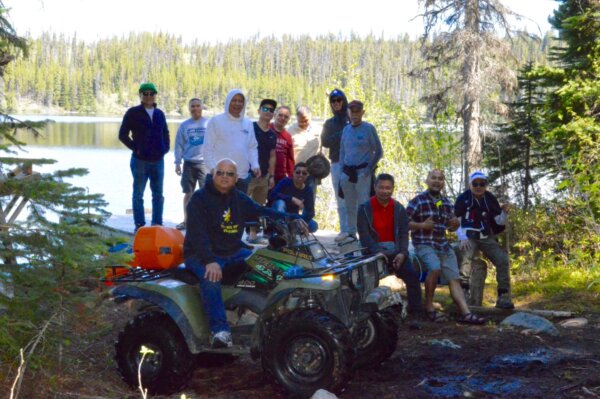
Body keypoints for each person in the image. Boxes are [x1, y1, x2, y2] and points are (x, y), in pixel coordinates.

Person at [184, 158, 303, 348]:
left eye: (229, 174)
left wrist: (293, 218)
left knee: (266, 264)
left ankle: (271, 318)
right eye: (220, 173)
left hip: (233, 251)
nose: (224, 177)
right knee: (211, 278)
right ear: (213, 174)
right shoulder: (199, 199)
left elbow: (261, 211)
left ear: (236, 177)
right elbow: (197, 235)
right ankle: (220, 331)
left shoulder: (238, 198)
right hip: (200, 255)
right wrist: (209, 261)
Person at [406, 169, 485, 324]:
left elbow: (452, 224)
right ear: (427, 181)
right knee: (434, 267)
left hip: (442, 245)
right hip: (423, 243)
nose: (437, 181)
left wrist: (455, 224)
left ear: (443, 182)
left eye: (440, 179)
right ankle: (429, 307)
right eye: (433, 178)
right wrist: (422, 225)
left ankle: (465, 313)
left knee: (454, 278)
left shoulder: (446, 203)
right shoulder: (417, 201)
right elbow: (403, 223)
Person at [357, 173, 423, 316]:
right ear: (375, 187)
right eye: (381, 187)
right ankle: (366, 315)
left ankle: (416, 314)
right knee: (365, 280)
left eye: (388, 188)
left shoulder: (398, 208)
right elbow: (364, 235)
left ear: (393, 189)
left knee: (412, 275)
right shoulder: (364, 208)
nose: (385, 191)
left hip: (395, 250)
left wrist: (402, 253)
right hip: (373, 252)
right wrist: (376, 251)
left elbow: (404, 234)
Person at [455, 171, 514, 309]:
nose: (478, 186)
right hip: (468, 235)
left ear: (486, 185)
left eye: (482, 184)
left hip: (486, 236)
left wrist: (504, 212)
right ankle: (464, 294)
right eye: (475, 184)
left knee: (502, 259)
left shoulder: (490, 198)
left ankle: (503, 296)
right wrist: (462, 237)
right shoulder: (463, 198)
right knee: (466, 257)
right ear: (470, 184)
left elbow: (499, 222)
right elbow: (456, 220)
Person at [118, 82, 169, 230]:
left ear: (155, 96)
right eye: (145, 93)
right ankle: (139, 224)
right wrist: (136, 149)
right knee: (138, 193)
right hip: (140, 161)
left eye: (151, 93)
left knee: (158, 194)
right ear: (140, 95)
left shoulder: (160, 114)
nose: (148, 96)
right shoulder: (133, 112)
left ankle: (157, 224)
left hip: (158, 160)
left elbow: (165, 133)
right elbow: (122, 135)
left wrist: (165, 148)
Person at [339, 100, 383, 242]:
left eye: (357, 111)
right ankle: (351, 233)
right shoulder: (346, 130)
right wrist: (341, 173)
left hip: (363, 173)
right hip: (347, 173)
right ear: (348, 112)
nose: (355, 114)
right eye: (352, 111)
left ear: (362, 112)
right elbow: (342, 152)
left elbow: (379, 151)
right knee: (349, 205)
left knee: (364, 205)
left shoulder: (369, 128)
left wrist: (369, 169)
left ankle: (366, 233)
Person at [203, 89, 260, 193]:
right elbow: (207, 149)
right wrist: (213, 170)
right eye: (234, 100)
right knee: (215, 209)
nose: (237, 104)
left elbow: (252, 147)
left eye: (240, 101)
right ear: (228, 101)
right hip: (219, 178)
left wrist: (255, 164)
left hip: (241, 178)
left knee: (239, 209)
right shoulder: (216, 121)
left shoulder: (248, 123)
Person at [174, 98, 209, 230]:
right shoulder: (184, 125)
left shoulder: (209, 124)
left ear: (202, 107)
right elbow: (179, 145)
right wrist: (177, 163)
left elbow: (215, 143)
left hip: (205, 164)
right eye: (192, 106)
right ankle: (186, 221)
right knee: (188, 193)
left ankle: (204, 223)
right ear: (189, 109)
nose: (195, 108)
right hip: (188, 163)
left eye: (197, 106)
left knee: (205, 194)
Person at [247, 99, 278, 243]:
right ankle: (233, 234)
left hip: (264, 175)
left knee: (258, 206)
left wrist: (271, 176)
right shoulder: (250, 128)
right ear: (259, 111)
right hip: (248, 173)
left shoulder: (272, 134)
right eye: (265, 109)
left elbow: (272, 156)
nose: (268, 112)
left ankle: (253, 233)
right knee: (241, 204)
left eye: (271, 110)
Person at [321, 89, 350, 242]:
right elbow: (325, 141)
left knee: (359, 198)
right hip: (337, 163)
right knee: (341, 198)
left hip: (354, 164)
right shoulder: (329, 123)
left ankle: (356, 231)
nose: (336, 103)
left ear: (343, 100)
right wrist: (342, 133)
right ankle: (344, 230)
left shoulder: (352, 118)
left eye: (339, 100)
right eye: (333, 100)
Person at [268, 162, 318, 233]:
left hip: (293, 217)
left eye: (304, 173)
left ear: (307, 176)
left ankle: (290, 230)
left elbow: (311, 212)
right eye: (298, 172)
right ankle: (281, 230)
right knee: (280, 203)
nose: (301, 175)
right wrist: (292, 199)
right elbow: (272, 195)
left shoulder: (308, 190)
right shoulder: (285, 181)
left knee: (314, 226)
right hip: (278, 214)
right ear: (293, 173)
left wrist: (303, 222)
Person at [271, 106, 295, 185]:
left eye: (286, 117)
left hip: (280, 176)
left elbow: (289, 159)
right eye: (280, 115)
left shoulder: (287, 136)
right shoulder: (267, 129)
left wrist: (291, 177)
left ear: (288, 119)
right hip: (264, 174)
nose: (282, 118)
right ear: (275, 115)